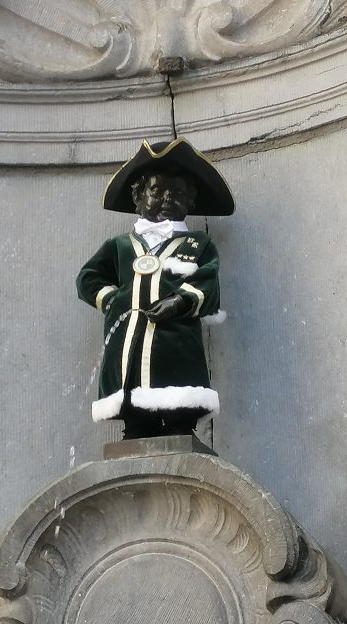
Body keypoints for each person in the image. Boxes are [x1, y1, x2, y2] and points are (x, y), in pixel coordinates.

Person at [76, 138, 234, 439]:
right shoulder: (120, 246)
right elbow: (88, 277)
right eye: (156, 190)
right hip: (127, 349)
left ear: (189, 201)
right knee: (135, 418)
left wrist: (178, 301)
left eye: (176, 192)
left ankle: (180, 430)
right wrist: (112, 298)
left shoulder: (197, 243)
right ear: (138, 197)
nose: (166, 198)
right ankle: (135, 431)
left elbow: (208, 279)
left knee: (179, 418)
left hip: (176, 349)